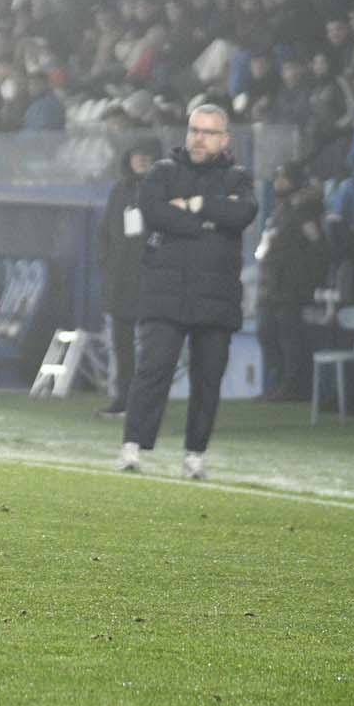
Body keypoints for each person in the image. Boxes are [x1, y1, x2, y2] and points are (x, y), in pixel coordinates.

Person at [118, 105, 257, 479]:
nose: (199, 138)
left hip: (217, 297)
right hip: (166, 293)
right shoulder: (164, 171)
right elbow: (154, 212)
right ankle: (132, 447)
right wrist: (210, 221)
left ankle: (194, 455)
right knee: (153, 371)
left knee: (207, 380)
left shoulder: (238, 178)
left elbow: (243, 214)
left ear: (224, 139)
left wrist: (194, 206)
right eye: (195, 130)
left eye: (208, 132)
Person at [96, 137, 162, 419]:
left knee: (151, 347)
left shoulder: (163, 190)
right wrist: (108, 265)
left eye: (147, 156)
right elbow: (104, 233)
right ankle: (123, 398)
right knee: (122, 347)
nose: (141, 160)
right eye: (137, 155)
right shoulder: (119, 191)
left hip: (151, 281)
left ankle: (146, 402)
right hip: (120, 281)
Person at [254, 162, 328, 401]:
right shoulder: (279, 212)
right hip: (271, 284)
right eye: (277, 178)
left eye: (283, 178)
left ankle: (293, 385)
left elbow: (319, 248)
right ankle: (277, 381)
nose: (278, 183)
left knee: (289, 336)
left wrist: (309, 278)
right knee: (266, 332)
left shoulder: (305, 212)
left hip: (291, 286)